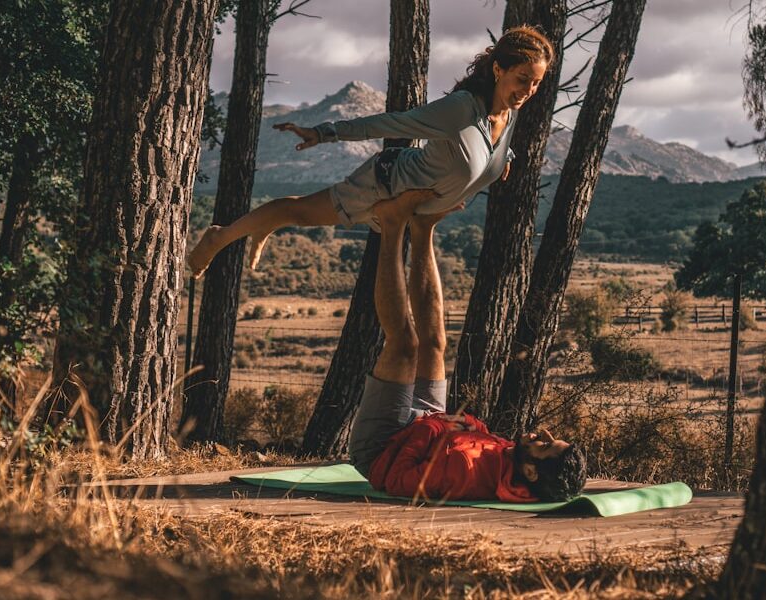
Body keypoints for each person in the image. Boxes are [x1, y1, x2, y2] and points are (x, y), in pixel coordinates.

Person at [187, 25, 555, 279]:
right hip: (385, 184)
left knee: (297, 213)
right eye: (522, 78)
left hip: (408, 208)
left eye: (536, 82)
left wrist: (503, 160)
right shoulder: (460, 109)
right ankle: (220, 236)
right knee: (296, 210)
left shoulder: (510, 111)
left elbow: (490, 146)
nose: (528, 89)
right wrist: (323, 132)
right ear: (497, 69)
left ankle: (261, 227)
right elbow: (390, 124)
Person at [349, 190, 587, 503]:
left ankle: (391, 226)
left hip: (384, 444)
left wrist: (433, 427)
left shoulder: (466, 473)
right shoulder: (509, 458)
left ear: (531, 472)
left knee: (405, 345)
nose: (542, 434)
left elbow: (393, 479)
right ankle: (422, 230)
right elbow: (474, 434)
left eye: (544, 445)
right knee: (435, 344)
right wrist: (461, 423)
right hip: (428, 424)